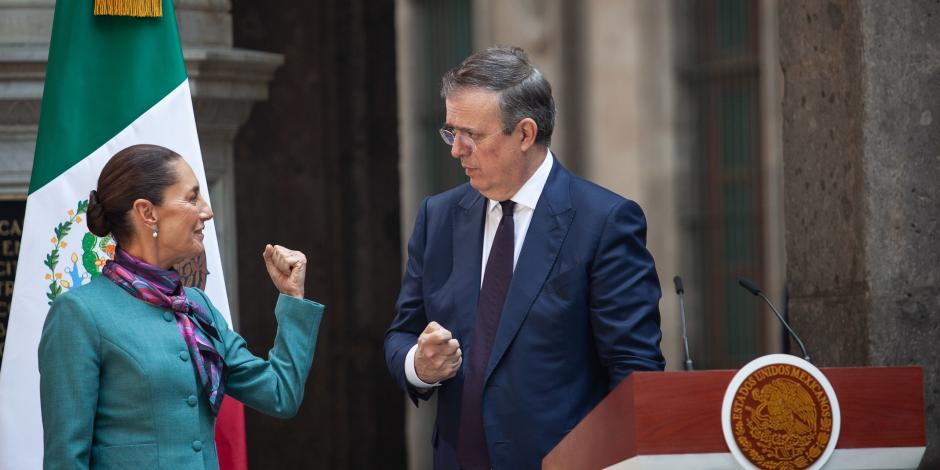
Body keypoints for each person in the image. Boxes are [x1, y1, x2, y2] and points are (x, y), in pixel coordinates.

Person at [384, 47, 665, 469]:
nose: (456, 150)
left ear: (525, 134)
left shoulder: (603, 222)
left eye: (471, 135)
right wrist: (418, 365)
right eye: (450, 132)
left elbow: (634, 370)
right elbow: (400, 334)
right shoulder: (437, 218)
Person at [38, 144, 324, 469]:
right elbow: (65, 460)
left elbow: (280, 394)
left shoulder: (196, 306)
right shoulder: (79, 314)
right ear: (147, 212)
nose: (207, 211)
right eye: (192, 198)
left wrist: (292, 298)